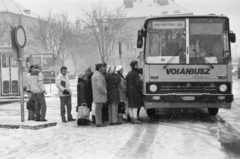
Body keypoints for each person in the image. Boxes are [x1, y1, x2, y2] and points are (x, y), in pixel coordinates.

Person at [92, 63, 107, 127]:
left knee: (98, 109)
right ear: (100, 68)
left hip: (97, 95)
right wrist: (105, 91)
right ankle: (99, 122)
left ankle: (98, 122)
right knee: (98, 110)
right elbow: (100, 86)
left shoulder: (95, 75)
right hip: (99, 95)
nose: (104, 68)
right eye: (102, 67)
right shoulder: (98, 75)